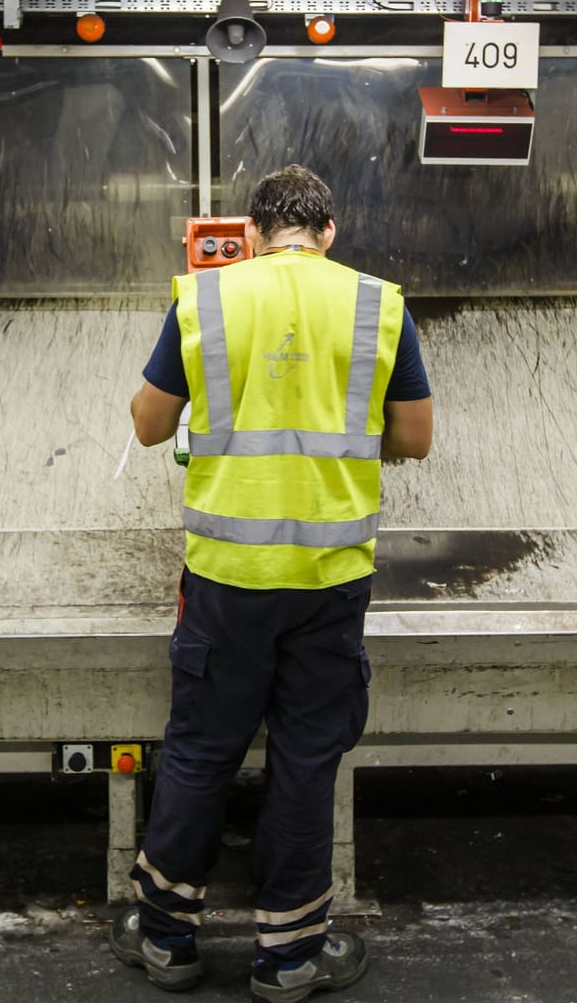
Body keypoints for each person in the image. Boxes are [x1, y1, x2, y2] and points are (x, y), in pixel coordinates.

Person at [112, 164, 434, 1002]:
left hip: (227, 575)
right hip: (329, 578)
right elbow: (415, 437)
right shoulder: (377, 303)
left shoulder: (207, 298)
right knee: (304, 759)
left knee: (200, 750)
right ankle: (288, 958)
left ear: (252, 233)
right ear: (329, 233)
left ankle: (167, 940)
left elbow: (148, 427)